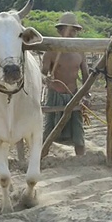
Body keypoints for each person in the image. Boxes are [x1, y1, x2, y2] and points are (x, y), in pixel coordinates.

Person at [41, 12, 91, 156]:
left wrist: (86, 95)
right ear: (60, 31)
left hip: (74, 94)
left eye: (74, 31)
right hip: (54, 94)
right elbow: (42, 73)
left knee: (78, 131)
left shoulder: (80, 51)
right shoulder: (51, 51)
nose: (71, 34)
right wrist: (46, 79)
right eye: (68, 30)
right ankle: (41, 159)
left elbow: (86, 75)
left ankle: (80, 160)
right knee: (49, 129)